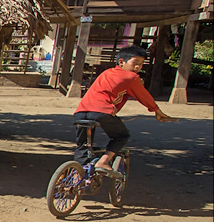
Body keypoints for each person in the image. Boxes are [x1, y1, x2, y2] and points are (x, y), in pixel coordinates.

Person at [73, 45, 175, 175]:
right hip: (102, 112)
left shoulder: (107, 73)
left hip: (80, 113)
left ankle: (77, 177)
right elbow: (143, 96)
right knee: (121, 136)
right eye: (135, 63)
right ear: (121, 62)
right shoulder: (131, 77)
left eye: (141, 64)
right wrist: (156, 110)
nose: (138, 67)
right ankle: (103, 161)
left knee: (83, 146)